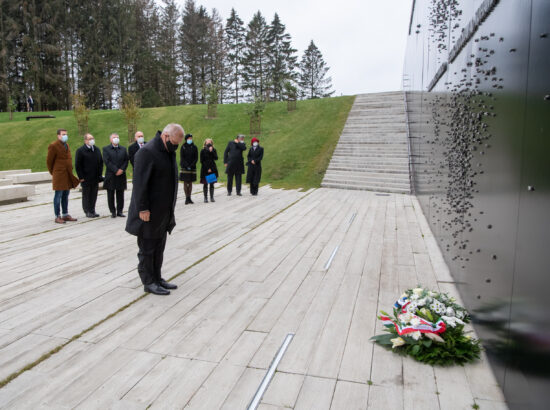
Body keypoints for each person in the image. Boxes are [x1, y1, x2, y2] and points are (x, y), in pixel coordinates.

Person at [126, 123, 184, 296]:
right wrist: (142, 208)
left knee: (159, 247)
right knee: (148, 248)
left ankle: (158, 278)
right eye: (174, 142)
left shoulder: (168, 151)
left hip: (163, 212)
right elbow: (139, 184)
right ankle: (148, 281)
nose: (176, 146)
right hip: (148, 213)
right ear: (165, 136)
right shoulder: (146, 153)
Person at [46, 129, 80, 224]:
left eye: (66, 134)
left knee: (66, 195)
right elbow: (49, 161)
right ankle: (57, 216)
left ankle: (65, 214)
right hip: (59, 175)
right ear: (58, 136)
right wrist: (54, 172)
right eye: (63, 134)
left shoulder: (66, 145)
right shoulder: (53, 146)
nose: (65, 136)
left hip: (67, 174)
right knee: (58, 195)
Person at [75, 133, 104, 217]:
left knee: (94, 194)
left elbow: (100, 162)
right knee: (86, 195)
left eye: (92, 138)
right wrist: (81, 177)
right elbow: (78, 165)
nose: (92, 140)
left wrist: (100, 175)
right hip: (86, 177)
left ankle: (92, 210)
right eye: (90, 139)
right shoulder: (80, 150)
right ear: (85, 140)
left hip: (95, 177)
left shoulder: (96, 149)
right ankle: (87, 211)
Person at [103, 133, 128, 218]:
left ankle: (120, 211)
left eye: (117, 137)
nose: (116, 139)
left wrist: (121, 169)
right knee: (110, 194)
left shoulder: (123, 149)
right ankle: (113, 211)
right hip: (111, 175)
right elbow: (107, 161)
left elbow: (126, 160)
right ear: (110, 139)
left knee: (120, 194)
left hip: (121, 175)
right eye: (114, 137)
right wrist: (116, 170)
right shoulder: (106, 149)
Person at [179, 133, 198, 204]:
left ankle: (189, 197)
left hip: (192, 167)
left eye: (191, 138)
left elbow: (196, 157)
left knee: (190, 182)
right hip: (184, 167)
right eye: (189, 138)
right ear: (186, 139)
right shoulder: (183, 147)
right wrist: (187, 165)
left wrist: (192, 165)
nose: (190, 140)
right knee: (185, 182)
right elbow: (182, 157)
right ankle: (186, 197)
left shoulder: (194, 147)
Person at [200, 138, 219, 203]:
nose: (208, 143)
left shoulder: (213, 150)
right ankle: (205, 198)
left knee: (211, 184)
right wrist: (208, 168)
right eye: (207, 142)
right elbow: (202, 161)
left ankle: (212, 197)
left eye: (210, 142)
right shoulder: (203, 150)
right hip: (205, 169)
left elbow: (216, 158)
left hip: (212, 168)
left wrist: (212, 152)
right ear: (205, 143)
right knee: (205, 184)